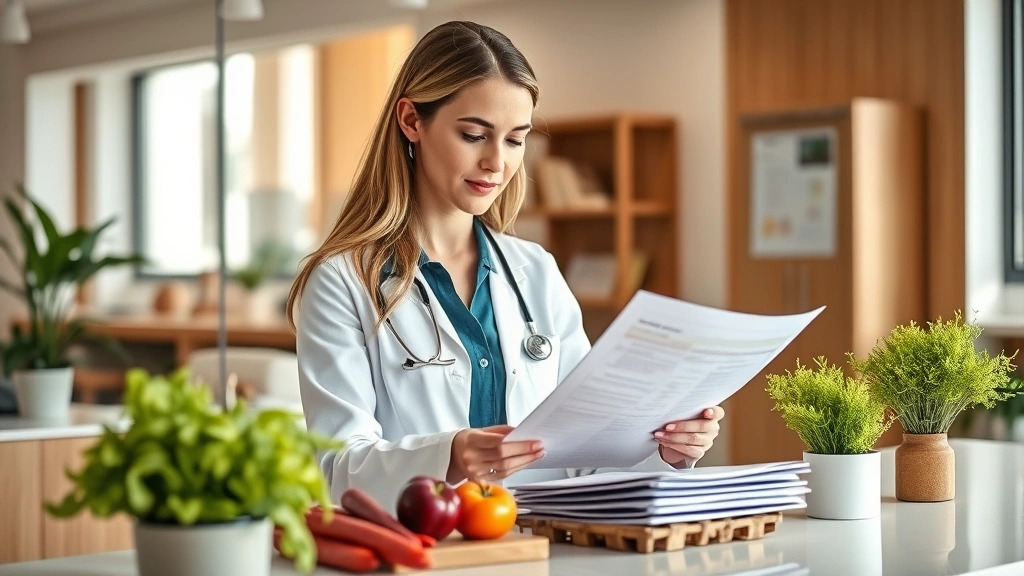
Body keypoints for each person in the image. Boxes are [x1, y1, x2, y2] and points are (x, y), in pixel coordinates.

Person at [288, 20, 725, 511]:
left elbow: (585, 450)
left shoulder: (534, 271)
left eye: (516, 140)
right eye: (475, 135)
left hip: (541, 548)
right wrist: (447, 456)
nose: (497, 162)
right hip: (425, 554)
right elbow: (336, 468)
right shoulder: (343, 281)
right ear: (411, 120)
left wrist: (664, 449)